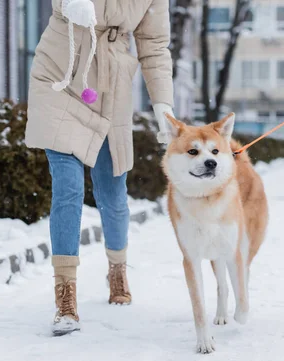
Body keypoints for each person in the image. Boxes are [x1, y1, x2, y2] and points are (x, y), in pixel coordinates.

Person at [24, 0, 174, 335]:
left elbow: (154, 45)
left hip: (110, 84)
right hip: (61, 71)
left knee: (112, 189)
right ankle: (66, 295)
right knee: (68, 184)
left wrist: (163, 104)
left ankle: (117, 267)